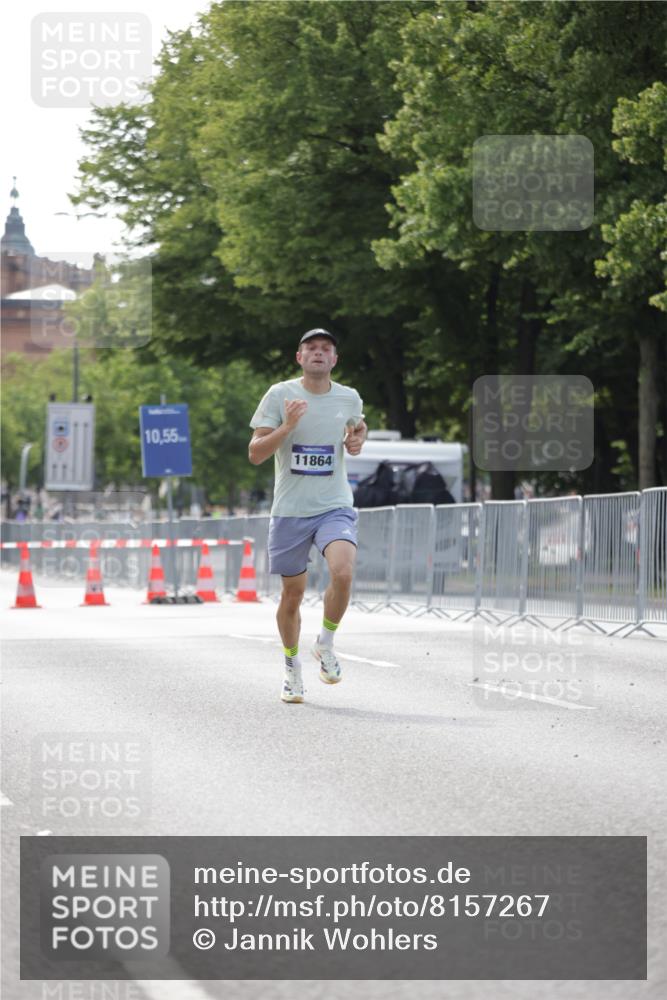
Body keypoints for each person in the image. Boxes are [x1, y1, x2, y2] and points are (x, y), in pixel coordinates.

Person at [249, 328, 367, 703]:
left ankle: (326, 642)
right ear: (299, 358)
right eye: (311, 348)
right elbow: (255, 453)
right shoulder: (280, 394)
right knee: (292, 594)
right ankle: (291, 668)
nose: (318, 353)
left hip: (334, 505)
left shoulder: (347, 397)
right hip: (290, 511)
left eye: (326, 349)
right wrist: (287, 426)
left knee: (343, 571)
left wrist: (357, 438)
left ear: (334, 360)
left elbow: (358, 424)